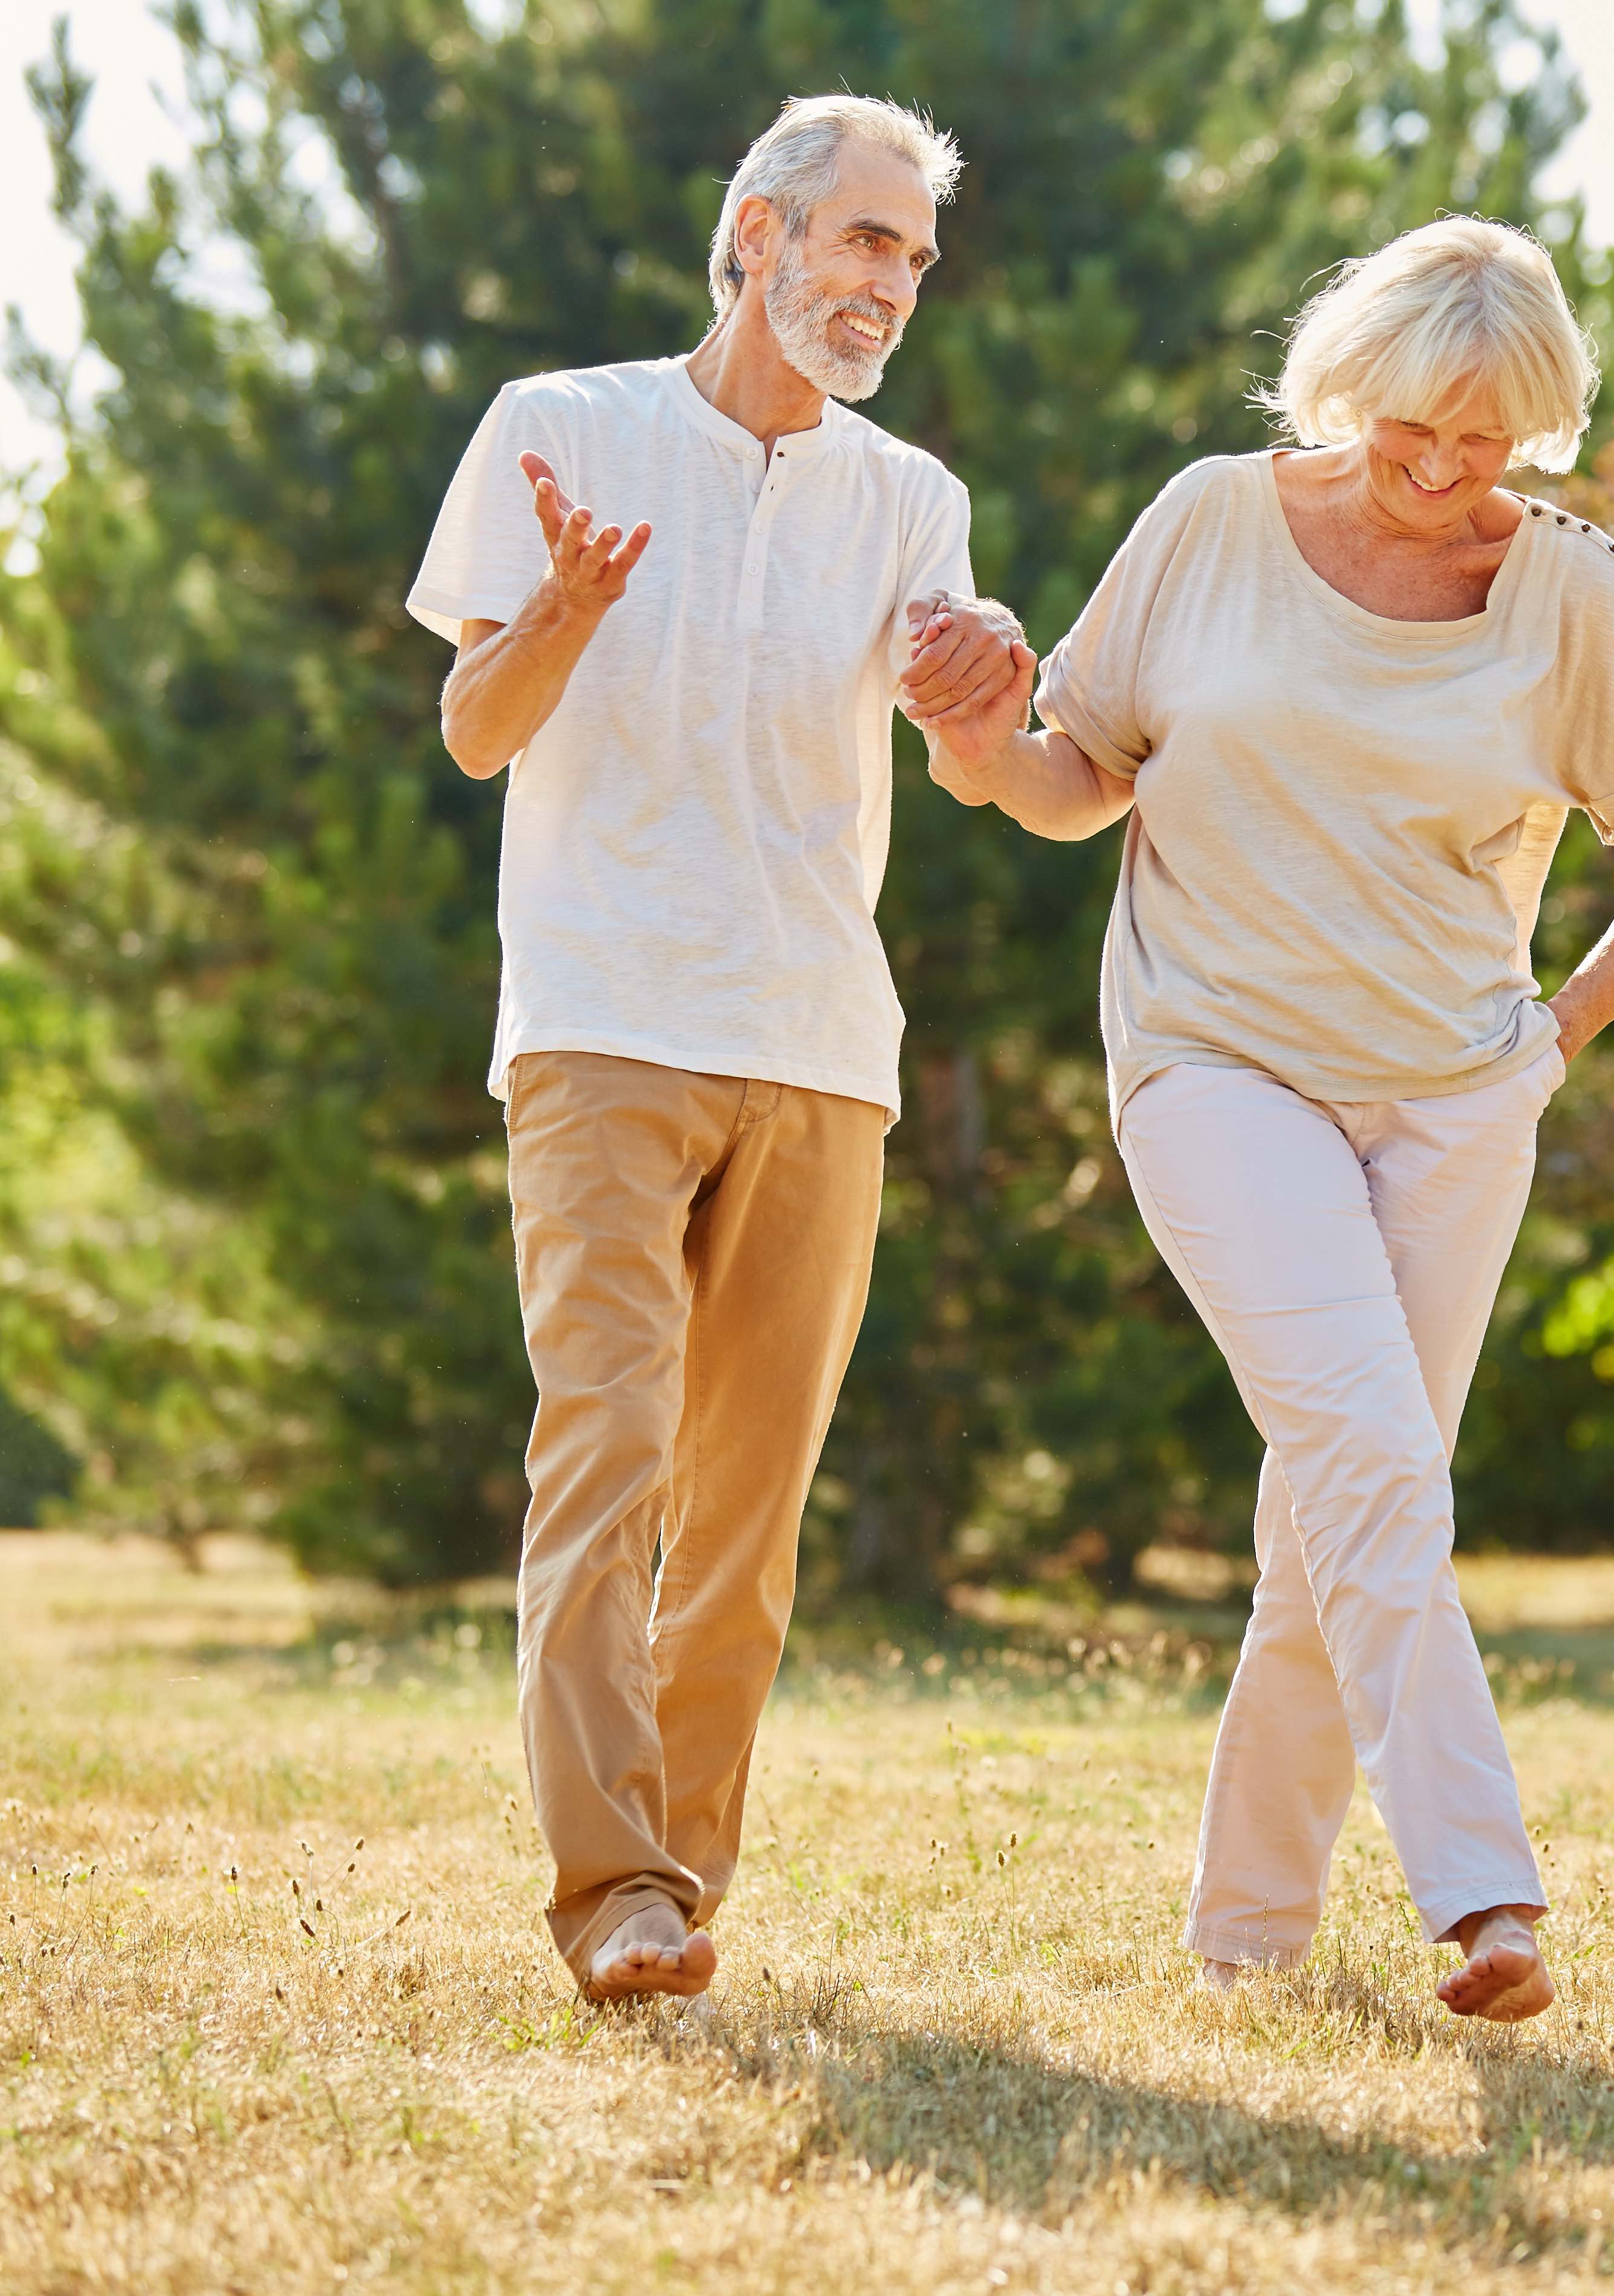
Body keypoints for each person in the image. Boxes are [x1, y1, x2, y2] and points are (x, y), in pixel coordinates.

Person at [902, 216, 1614, 2022]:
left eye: (1485, 443)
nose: (1441, 474)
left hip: (1456, 1097)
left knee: (1336, 1508)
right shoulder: (1211, 520)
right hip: (1217, 1062)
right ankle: (1483, 1895)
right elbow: (1072, 782)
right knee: (1371, 1457)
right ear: (1347, 386)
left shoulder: (1573, 590)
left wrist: (1554, 1042)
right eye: (1410, 430)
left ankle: (1248, 1937)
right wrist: (969, 740)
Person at [405, 94, 1023, 2002]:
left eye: (911, 258)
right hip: (603, 1020)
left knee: (747, 1504)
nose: (886, 287)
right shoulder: (561, 429)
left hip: (824, 1040)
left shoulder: (910, 494)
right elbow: (477, 732)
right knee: (608, 1451)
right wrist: (575, 605)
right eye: (858, 240)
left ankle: (680, 1880)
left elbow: (966, 753)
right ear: (752, 232)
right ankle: (609, 1894)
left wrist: (985, 685)